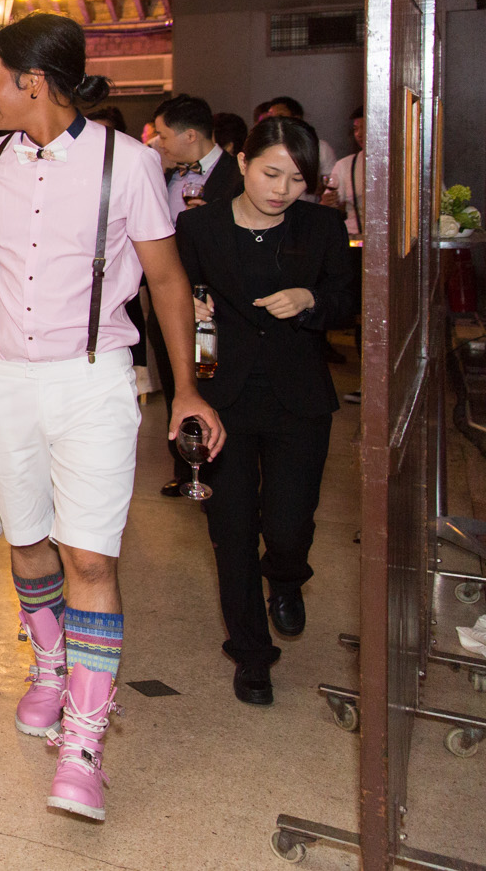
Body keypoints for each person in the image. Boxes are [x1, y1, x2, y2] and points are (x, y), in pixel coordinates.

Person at [0, 13, 223, 823]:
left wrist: (188, 388)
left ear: (34, 81)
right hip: (0, 380)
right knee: (27, 542)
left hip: (93, 381)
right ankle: (50, 668)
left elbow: (166, 280)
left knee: (90, 557)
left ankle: (85, 744)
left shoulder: (129, 162)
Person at [176, 116, 356, 705]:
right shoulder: (199, 226)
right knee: (231, 532)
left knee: (288, 524)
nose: (282, 190)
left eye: (297, 179)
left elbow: (346, 301)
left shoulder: (322, 226)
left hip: (297, 399)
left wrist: (310, 300)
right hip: (223, 398)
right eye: (271, 173)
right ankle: (252, 655)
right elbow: (181, 301)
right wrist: (191, 325)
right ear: (243, 162)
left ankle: (286, 575)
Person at [148, 93, 244, 496]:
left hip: (214, 303)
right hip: (167, 296)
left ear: (190, 135)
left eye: (163, 135)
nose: (159, 143)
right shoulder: (163, 174)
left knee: (214, 385)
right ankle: (185, 467)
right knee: (177, 381)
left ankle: (218, 471)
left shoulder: (237, 176)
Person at [259, 96, 337, 197]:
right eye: (271, 117)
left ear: (296, 118)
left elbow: (330, 182)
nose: (275, 121)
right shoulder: (264, 147)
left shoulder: (320, 147)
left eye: (280, 115)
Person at [328, 106, 368, 237]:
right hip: (355, 237)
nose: (359, 134)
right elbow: (329, 203)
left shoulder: (402, 163)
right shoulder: (346, 165)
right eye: (356, 129)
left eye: (365, 127)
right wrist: (328, 202)